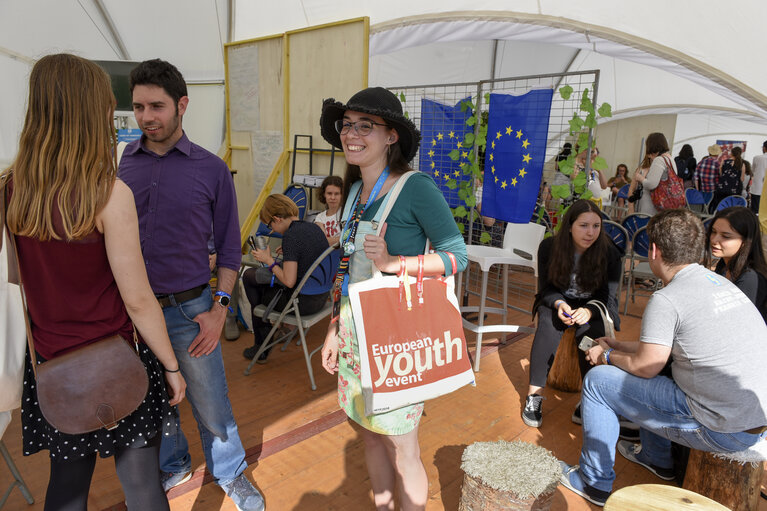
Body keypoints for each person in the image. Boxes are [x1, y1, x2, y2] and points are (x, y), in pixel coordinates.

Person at [2, 53, 186, 510]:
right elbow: (139, 300)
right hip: (117, 357)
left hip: (52, 362)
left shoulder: (9, 189)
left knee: (66, 487)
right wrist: (171, 366)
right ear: (89, 111)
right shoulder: (108, 192)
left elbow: (14, 276)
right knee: (142, 483)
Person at [118, 59, 265, 510]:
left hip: (190, 311)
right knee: (152, 399)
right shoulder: (121, 164)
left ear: (182, 104)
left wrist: (220, 309)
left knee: (210, 402)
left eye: (157, 106)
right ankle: (174, 464)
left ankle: (231, 472)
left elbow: (231, 248)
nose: (146, 117)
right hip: (130, 313)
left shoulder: (212, 170)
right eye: (139, 107)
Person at [318, 87, 467, 510]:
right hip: (352, 334)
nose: (352, 134)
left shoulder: (415, 187)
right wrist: (332, 329)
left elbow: (458, 256)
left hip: (394, 340)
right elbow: (345, 272)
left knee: (404, 449)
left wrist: (395, 263)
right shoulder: (352, 193)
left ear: (391, 137)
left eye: (366, 125)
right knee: (368, 433)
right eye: (348, 125)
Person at [559, 209, 767, 507]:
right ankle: (656, 458)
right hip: (754, 421)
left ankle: (593, 482)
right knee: (657, 372)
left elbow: (647, 365)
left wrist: (606, 355)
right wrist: (618, 344)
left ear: (654, 250)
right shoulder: (717, 282)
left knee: (597, 382)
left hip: (722, 427)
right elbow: (659, 350)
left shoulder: (668, 298)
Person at [522, 200, 622, 428]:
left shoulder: (609, 254)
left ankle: (588, 399)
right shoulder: (549, 247)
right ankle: (534, 396)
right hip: (561, 303)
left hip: (592, 306)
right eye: (584, 225)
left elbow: (609, 298)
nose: (591, 232)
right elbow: (545, 289)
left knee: (590, 337)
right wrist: (559, 303)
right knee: (547, 322)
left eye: (596, 226)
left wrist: (589, 310)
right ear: (569, 226)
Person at [242, 194, 330, 362]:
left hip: (303, 304)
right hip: (322, 297)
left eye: (270, 225)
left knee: (249, 277)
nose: (272, 230)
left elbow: (289, 281)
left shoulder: (291, 236)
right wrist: (289, 254)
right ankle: (263, 335)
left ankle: (262, 342)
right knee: (255, 277)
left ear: (277, 218)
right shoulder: (314, 228)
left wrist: (268, 260)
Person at [705, 206, 767, 321]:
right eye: (713, 232)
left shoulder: (750, 279)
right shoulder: (724, 264)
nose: (714, 240)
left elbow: (737, 321)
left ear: (745, 241)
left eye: (726, 236)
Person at [633, 133, 677, 216]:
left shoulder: (659, 160)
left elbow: (651, 184)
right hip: (666, 202)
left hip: (652, 205)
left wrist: (640, 178)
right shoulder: (670, 159)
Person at [710, 146, 746, 211]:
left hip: (722, 188)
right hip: (735, 190)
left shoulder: (724, 162)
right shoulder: (742, 164)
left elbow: (721, 175)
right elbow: (742, 179)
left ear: (731, 153)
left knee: (720, 207)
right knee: (732, 209)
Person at [314, 175, 344, 246]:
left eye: (336, 194)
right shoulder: (320, 217)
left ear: (342, 195)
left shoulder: (346, 213)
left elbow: (348, 239)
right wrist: (340, 239)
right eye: (329, 193)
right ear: (324, 194)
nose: (333, 197)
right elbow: (322, 242)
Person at [751, 140, 767, 214]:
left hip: (757, 189)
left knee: (755, 212)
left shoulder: (757, 158)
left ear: (764, 148)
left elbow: (752, 171)